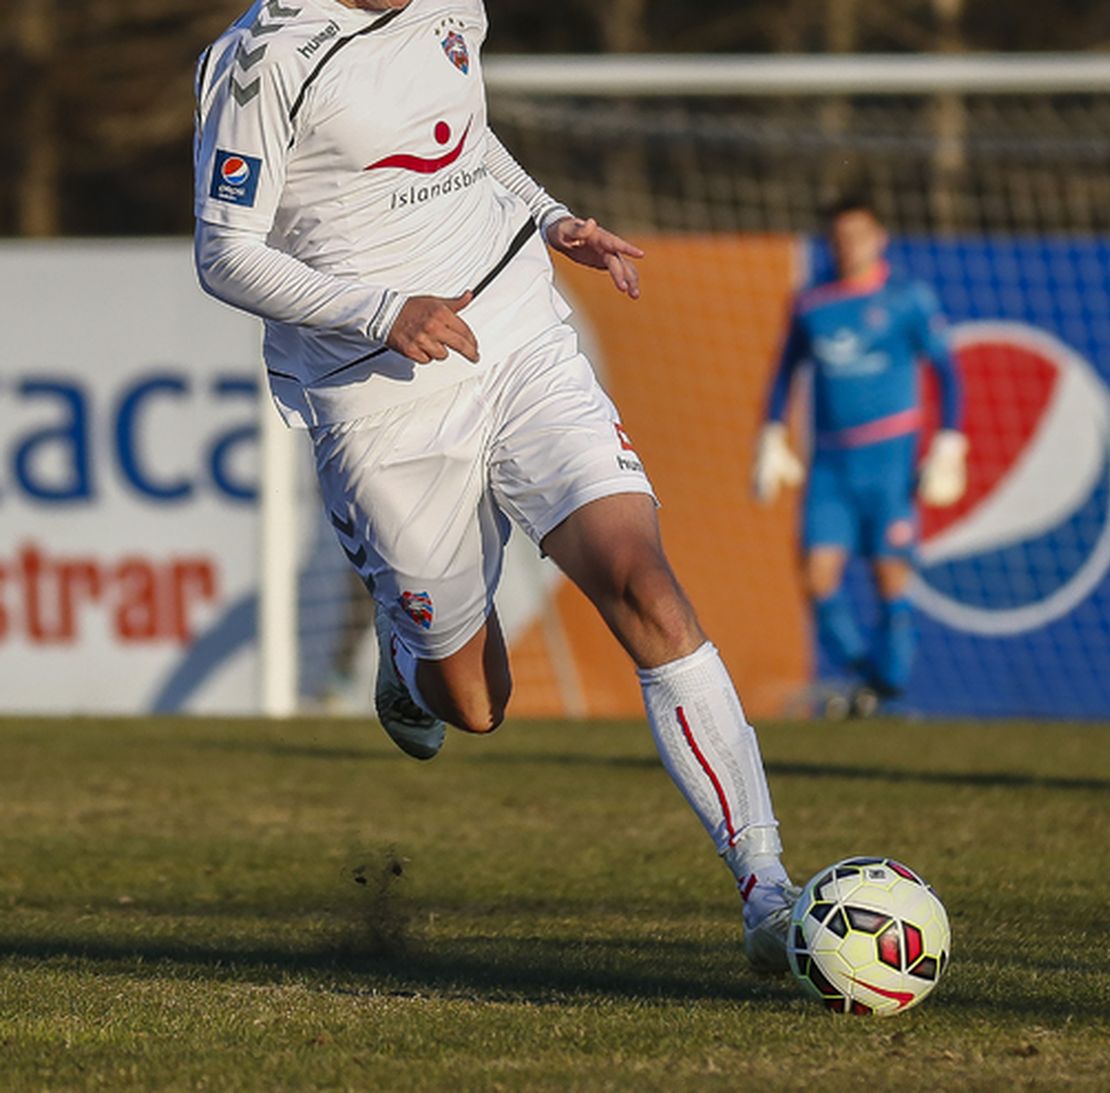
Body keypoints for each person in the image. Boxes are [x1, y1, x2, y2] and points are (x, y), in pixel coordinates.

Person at [192, 0, 797, 972]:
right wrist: (381, 310)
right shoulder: (263, 62)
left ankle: (766, 889)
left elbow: (462, 132)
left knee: (643, 581)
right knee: (473, 703)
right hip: (377, 392)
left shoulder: (447, 6)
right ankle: (407, 646)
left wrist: (550, 217)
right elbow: (224, 251)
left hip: (515, 335)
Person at [754, 197, 966, 718]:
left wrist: (948, 441)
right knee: (816, 577)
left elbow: (947, 372)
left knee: (890, 577)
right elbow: (786, 371)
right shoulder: (812, 303)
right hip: (830, 465)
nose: (849, 246)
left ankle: (886, 687)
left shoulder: (907, 300)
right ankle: (871, 678)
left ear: (880, 239)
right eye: (839, 237)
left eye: (859, 235)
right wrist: (773, 434)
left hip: (889, 464)